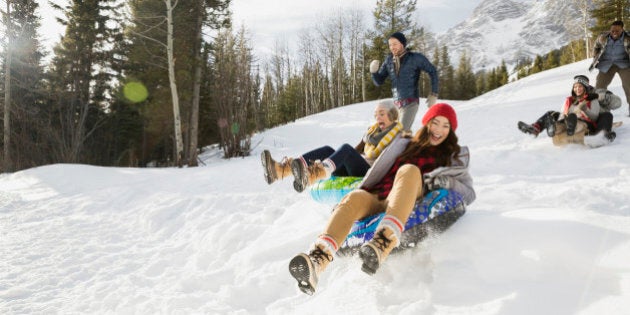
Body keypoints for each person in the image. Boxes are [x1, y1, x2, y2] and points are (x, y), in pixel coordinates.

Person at [288, 103, 475, 295]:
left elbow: (469, 193)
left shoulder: (454, 156)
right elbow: (377, 166)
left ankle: (383, 241)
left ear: (451, 131)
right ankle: (318, 260)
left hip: (408, 193)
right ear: (427, 123)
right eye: (436, 123)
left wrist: (444, 181)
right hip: (378, 193)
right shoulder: (406, 143)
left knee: (408, 169)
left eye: (446, 126)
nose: (439, 130)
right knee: (353, 198)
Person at [261, 100, 403, 193]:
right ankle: (282, 170)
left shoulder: (398, 136)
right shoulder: (372, 133)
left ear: (392, 115)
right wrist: (340, 158)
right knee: (328, 150)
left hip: (371, 173)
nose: (377, 117)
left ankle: (316, 173)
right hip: (357, 167)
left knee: (346, 149)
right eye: (376, 114)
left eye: (382, 114)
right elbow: (356, 152)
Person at [370, 32, 439, 133]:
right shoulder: (389, 60)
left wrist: (434, 93)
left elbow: (433, 71)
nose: (392, 47)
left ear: (402, 44)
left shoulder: (415, 58)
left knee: (400, 133)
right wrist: (374, 72)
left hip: (411, 102)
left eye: (395, 44)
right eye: (390, 45)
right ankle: (412, 146)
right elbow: (378, 82)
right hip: (396, 106)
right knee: (396, 135)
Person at [517, 75, 617, 142]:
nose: (577, 89)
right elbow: (562, 114)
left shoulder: (592, 99)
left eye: (580, 87)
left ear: (585, 88)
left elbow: (595, 117)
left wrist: (585, 109)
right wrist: (557, 118)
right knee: (551, 114)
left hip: (586, 124)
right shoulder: (569, 100)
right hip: (567, 121)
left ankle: (572, 128)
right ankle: (538, 128)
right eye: (575, 87)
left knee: (578, 120)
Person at [589, 20, 630, 116]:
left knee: (628, 85)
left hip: (623, 64)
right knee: (599, 86)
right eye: (612, 31)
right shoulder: (603, 37)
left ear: (622, 30)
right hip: (606, 64)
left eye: (617, 31)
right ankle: (598, 108)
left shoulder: (628, 38)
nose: (614, 33)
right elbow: (596, 46)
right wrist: (595, 56)